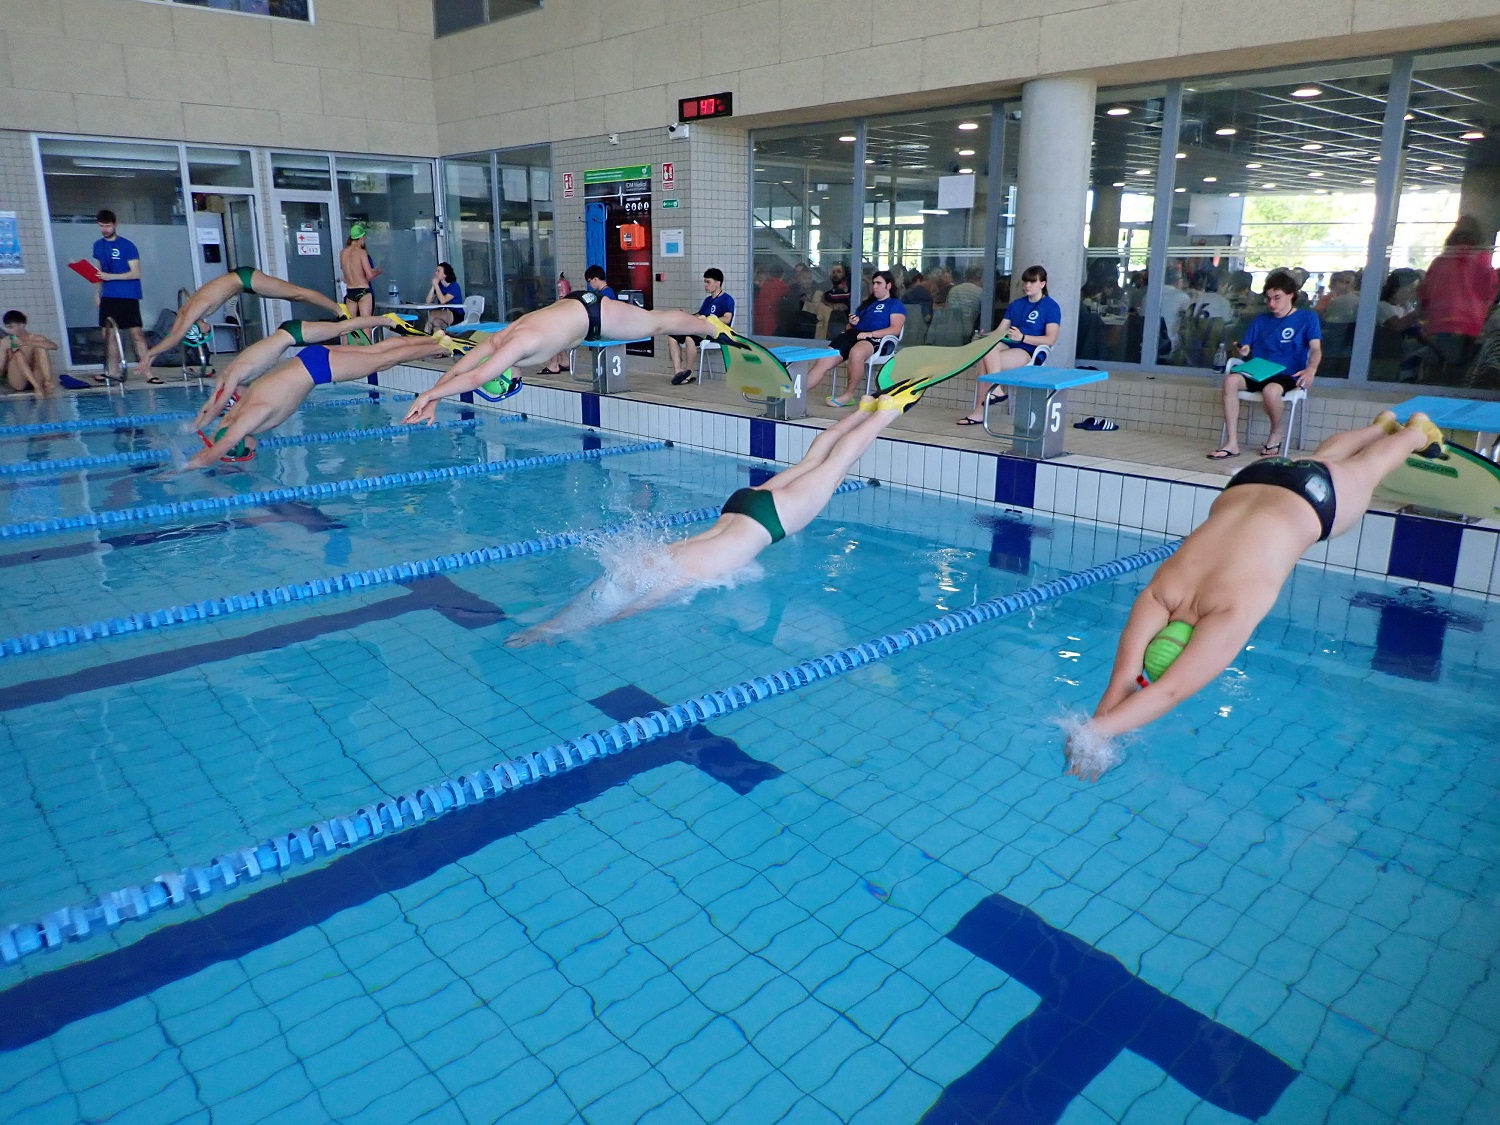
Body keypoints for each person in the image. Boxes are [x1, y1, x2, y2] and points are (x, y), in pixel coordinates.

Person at [1064, 410, 1447, 781]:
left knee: (1369, 469)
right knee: (1323, 460)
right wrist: (1094, 733)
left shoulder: (1230, 612)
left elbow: (1171, 690)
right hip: (1255, 479)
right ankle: (1379, 426)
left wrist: (1093, 735)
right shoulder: (1159, 595)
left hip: (1313, 500)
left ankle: (1415, 432)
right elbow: (1124, 683)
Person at [504, 384, 922, 648]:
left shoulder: (668, 575)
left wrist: (569, 628)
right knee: (815, 460)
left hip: (765, 519)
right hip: (743, 504)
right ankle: (865, 408)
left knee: (834, 466)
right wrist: (550, 628)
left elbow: (623, 605)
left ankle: (887, 410)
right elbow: (602, 596)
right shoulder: (661, 555)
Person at [401, 289, 740, 425]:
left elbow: (474, 377)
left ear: (508, 375)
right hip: (579, 314)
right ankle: (702, 324)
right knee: (655, 321)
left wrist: (430, 395)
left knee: (657, 323)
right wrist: (431, 397)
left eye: (511, 384)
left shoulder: (516, 348)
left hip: (591, 314)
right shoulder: (499, 340)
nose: (517, 380)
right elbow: (462, 368)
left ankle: (712, 328)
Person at [185, 334, 453, 470]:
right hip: (309, 359)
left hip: (316, 369)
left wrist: (183, 469)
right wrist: (198, 426)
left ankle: (443, 347)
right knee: (378, 351)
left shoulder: (250, 418)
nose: (256, 449)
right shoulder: (239, 409)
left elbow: (215, 451)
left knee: (383, 360)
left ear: (242, 444)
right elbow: (223, 409)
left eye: (250, 451)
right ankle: (436, 338)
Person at [190, 314, 395, 431]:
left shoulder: (231, 379)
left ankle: (387, 321)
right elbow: (211, 404)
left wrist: (207, 429)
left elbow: (215, 407)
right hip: (286, 334)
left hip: (292, 333)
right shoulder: (225, 378)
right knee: (342, 329)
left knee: (342, 328)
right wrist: (195, 426)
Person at [135, 266, 346, 379]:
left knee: (296, 294)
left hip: (244, 279)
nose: (207, 329)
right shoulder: (187, 313)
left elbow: (174, 338)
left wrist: (150, 354)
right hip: (241, 281)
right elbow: (174, 335)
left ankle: (338, 309)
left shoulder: (189, 314)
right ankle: (336, 309)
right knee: (293, 295)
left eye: (203, 332)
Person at [1207, 269, 1321, 460]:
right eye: (1268, 299)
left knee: (1271, 391)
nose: (1272, 304)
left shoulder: (1307, 318)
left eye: (1277, 298)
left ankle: (1276, 432)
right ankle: (1232, 443)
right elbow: (1245, 348)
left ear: (1291, 295)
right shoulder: (1261, 320)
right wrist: (1242, 351)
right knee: (1230, 381)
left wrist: (1311, 370)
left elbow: (1316, 349)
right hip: (1258, 370)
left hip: (1287, 373)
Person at [958, 265, 1061, 425]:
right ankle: (996, 389)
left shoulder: (1051, 307)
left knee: (984, 363)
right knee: (987, 345)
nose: (1027, 285)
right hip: (1010, 345)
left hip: (1029, 351)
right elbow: (1000, 331)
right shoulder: (1016, 305)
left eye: (1032, 282)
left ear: (1042, 284)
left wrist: (1023, 337)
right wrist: (982, 336)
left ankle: (980, 411)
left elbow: (1050, 339)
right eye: (1025, 282)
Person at [802, 271, 907, 406]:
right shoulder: (867, 304)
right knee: (825, 359)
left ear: (889, 286)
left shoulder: (895, 304)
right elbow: (849, 328)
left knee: (856, 353)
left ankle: (848, 395)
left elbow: (895, 329)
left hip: (876, 340)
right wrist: (853, 323)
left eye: (879, 283)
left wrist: (871, 334)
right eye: (874, 283)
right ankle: (797, 393)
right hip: (855, 335)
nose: (874, 286)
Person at [1417, 214, 1499, 383]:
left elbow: (1425, 293)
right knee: (1458, 376)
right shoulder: (1482, 262)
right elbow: (1490, 292)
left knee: (1435, 372)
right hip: (1470, 325)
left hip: (1438, 324)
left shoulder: (1440, 261)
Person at [92, 209, 148, 383]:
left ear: (115, 225)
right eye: (101, 226)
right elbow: (99, 271)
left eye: (107, 226)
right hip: (109, 295)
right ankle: (113, 371)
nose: (105, 229)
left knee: (136, 334)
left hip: (128, 295)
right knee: (109, 336)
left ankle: (148, 373)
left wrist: (112, 277)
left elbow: (136, 273)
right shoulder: (98, 245)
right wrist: (97, 292)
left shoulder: (127, 246)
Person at [538, 265, 615, 375]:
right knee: (558, 331)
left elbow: (602, 315)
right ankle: (563, 361)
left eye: (590, 281)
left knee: (556, 333)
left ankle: (554, 364)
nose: (590, 285)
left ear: (595, 279)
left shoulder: (604, 295)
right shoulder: (605, 293)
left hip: (599, 330)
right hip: (597, 327)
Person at [667, 268, 736, 385]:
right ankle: (678, 371)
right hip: (700, 331)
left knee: (689, 339)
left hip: (715, 333)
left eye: (708, 282)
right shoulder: (708, 300)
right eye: (704, 282)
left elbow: (727, 319)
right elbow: (699, 315)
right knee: (672, 337)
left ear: (718, 283)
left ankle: (689, 372)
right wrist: (686, 316)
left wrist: (710, 320)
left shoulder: (727, 299)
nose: (705, 285)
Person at [1, 310, 59, 397]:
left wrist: (25, 342)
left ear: (22, 325)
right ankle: (37, 387)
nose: (9, 330)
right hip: (18, 381)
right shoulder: (5, 341)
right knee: (16, 352)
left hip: (37, 377)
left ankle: (48, 382)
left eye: (12, 327)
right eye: (7, 327)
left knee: (41, 347)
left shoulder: (35, 338)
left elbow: (54, 346)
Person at [339, 224, 381, 318]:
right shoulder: (361, 252)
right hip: (363, 291)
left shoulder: (343, 253)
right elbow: (369, 275)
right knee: (366, 324)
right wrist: (378, 271)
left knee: (352, 325)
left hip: (350, 291)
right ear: (361, 237)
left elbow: (346, 276)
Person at [424, 262, 464, 331]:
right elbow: (428, 301)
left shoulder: (454, 286)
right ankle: (437, 340)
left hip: (456, 314)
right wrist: (433, 287)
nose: (436, 273)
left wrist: (436, 286)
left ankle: (424, 337)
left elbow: (443, 301)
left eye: (438, 271)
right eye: (436, 271)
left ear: (444, 275)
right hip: (444, 312)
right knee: (436, 322)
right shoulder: (439, 286)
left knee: (432, 314)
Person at [821, 264, 851, 339]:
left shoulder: (851, 285)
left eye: (838, 272)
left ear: (844, 273)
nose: (835, 275)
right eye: (833, 272)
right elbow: (822, 299)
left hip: (849, 317)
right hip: (834, 318)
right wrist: (833, 306)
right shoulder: (828, 286)